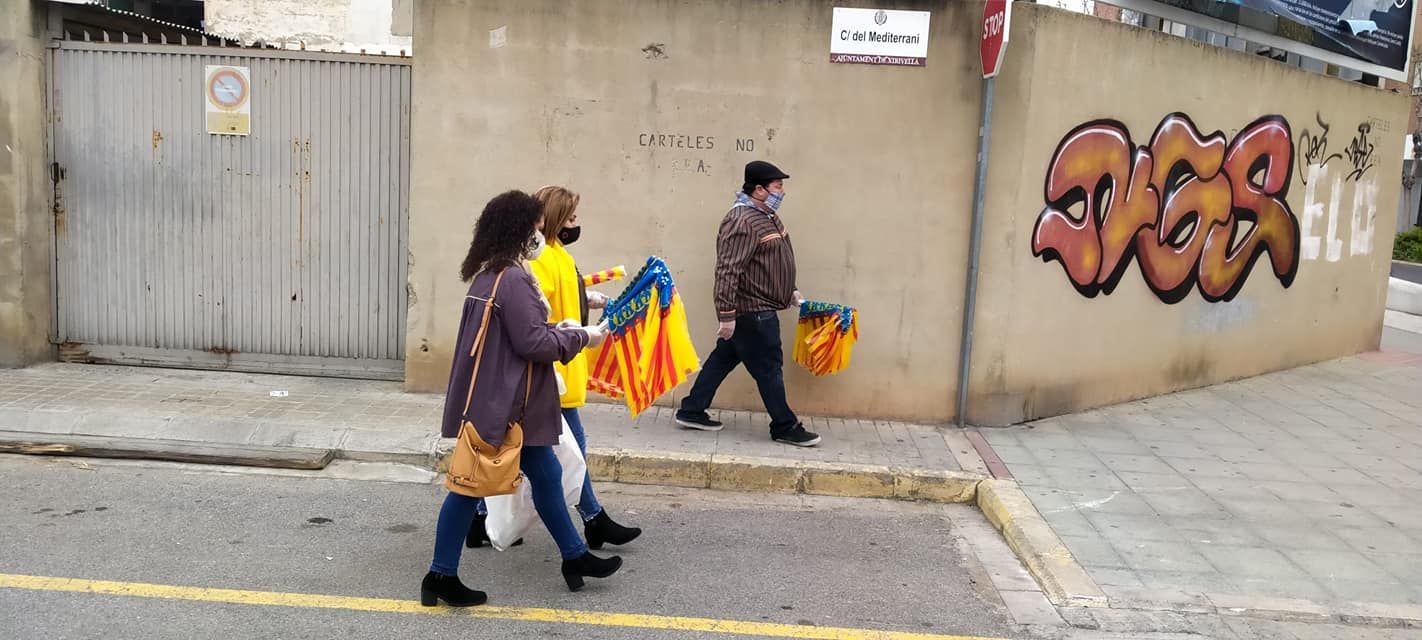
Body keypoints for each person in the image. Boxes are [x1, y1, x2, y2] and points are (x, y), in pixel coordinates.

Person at [421, 190, 622, 608]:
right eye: (534, 226)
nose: (539, 233)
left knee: (546, 476)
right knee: (467, 488)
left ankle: (575, 556)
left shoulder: (490, 274)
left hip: (508, 401)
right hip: (507, 404)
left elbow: (521, 334)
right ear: (519, 229)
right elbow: (533, 342)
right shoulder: (511, 278)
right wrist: (583, 335)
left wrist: (562, 327)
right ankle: (439, 575)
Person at [461, 186, 642, 551]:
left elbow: (554, 298)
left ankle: (479, 521)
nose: (576, 224)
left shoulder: (557, 254)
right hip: (544, 371)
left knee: (537, 462)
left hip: (559, 365)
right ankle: (590, 524)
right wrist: (569, 332)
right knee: (561, 457)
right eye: (571, 217)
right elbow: (533, 317)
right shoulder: (527, 265)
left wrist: (585, 299)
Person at [674, 161, 822, 447]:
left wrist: (790, 291)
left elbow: (772, 262)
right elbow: (728, 270)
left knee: (724, 358)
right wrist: (727, 315)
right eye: (777, 186)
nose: (782, 191)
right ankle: (784, 425)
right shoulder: (741, 221)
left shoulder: (767, 217)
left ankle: (692, 409)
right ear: (759, 190)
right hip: (753, 311)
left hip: (759, 308)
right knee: (769, 367)